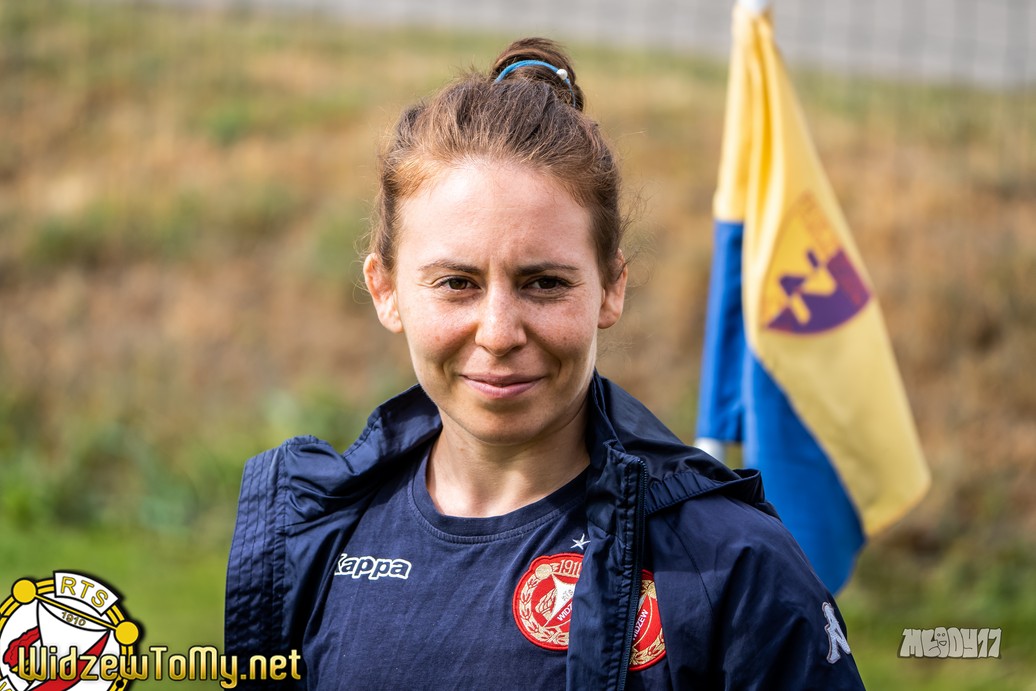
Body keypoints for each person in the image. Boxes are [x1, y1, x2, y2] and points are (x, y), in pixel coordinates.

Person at [225, 37, 865, 689]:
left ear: (611, 286)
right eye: (457, 283)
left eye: (544, 283)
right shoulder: (309, 538)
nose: (499, 333)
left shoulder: (733, 568)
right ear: (385, 289)